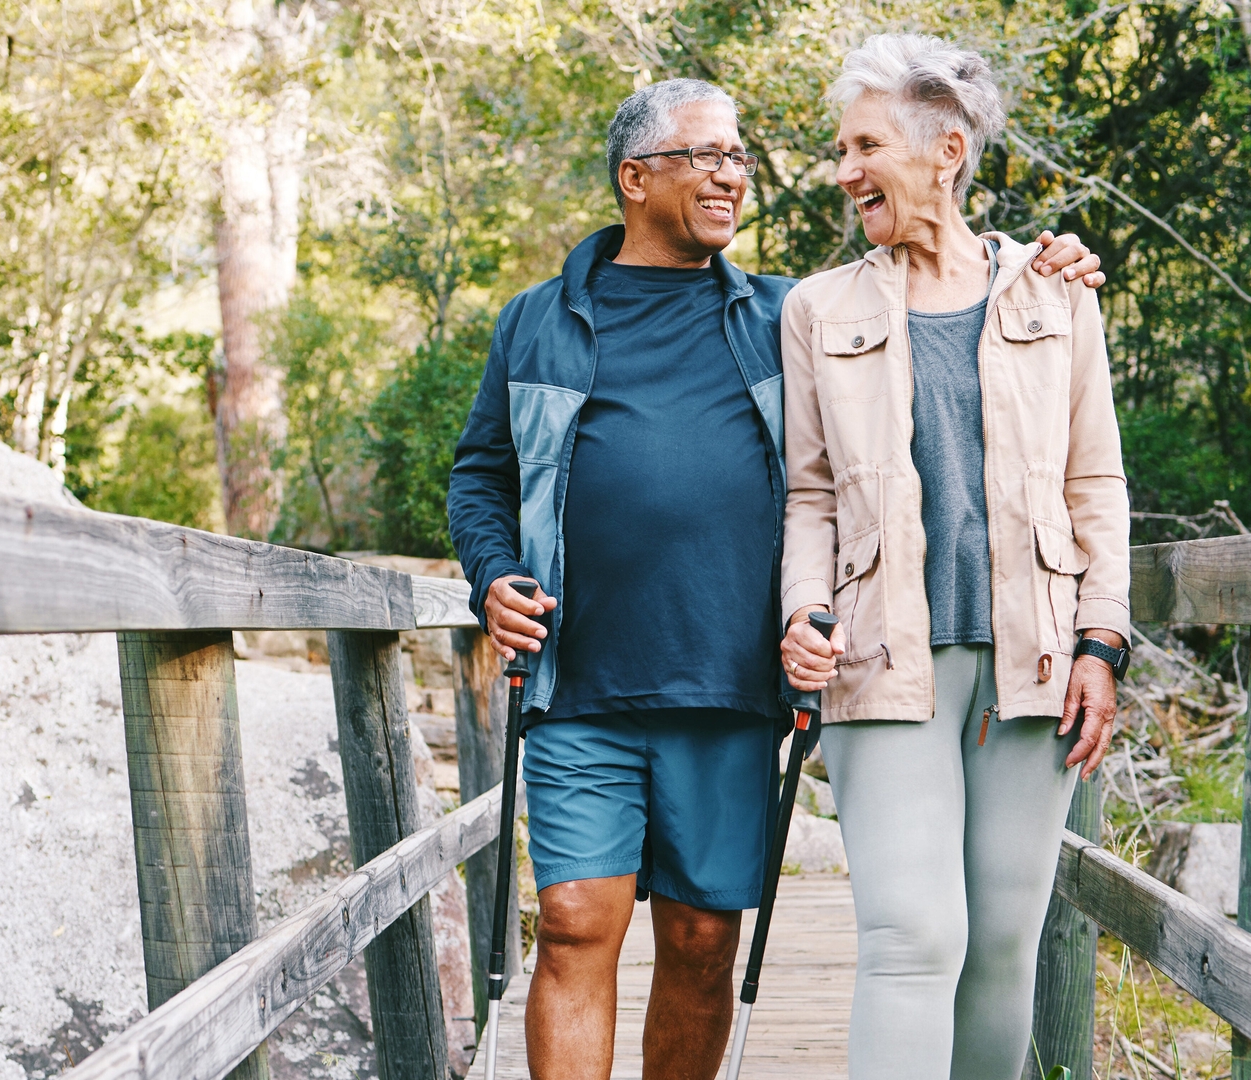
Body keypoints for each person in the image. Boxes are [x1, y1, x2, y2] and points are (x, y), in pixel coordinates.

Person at [448, 76, 1106, 1080]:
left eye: (739, 157)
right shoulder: (537, 322)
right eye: (704, 156)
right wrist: (491, 572)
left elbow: (911, 337)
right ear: (634, 179)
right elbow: (482, 474)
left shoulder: (785, 315)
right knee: (576, 921)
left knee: (704, 941)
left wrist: (1040, 263)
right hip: (577, 678)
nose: (731, 174)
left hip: (730, 687)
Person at [777, 34, 1131, 1080]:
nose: (845, 172)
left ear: (946, 149)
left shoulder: (1058, 294)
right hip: (881, 659)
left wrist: (1102, 640)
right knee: (912, 937)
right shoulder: (818, 309)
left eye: (863, 145)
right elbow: (808, 493)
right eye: (841, 149)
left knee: (1003, 941)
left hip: (1034, 662)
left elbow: (1096, 484)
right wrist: (802, 610)